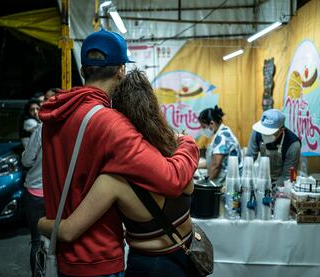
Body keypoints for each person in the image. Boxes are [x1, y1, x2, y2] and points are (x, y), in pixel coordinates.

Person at [38, 29, 199, 277]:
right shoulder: (110, 123)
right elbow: (171, 178)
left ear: (83, 71)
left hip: (63, 253)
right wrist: (188, 144)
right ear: (121, 70)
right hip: (99, 257)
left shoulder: (54, 117)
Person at [246, 109, 301, 186]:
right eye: (263, 131)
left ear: (282, 130)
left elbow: (288, 177)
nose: (264, 135)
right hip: (261, 178)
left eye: (269, 133)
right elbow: (249, 160)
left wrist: (272, 189)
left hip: (281, 183)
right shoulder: (256, 133)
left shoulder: (293, 145)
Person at [198, 106, 242, 185]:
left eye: (204, 127)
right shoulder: (222, 133)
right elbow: (212, 161)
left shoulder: (222, 137)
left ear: (212, 123)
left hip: (226, 183)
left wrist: (206, 184)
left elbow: (216, 165)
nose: (203, 130)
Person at [21, 122, 44, 277]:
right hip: (60, 194)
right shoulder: (76, 124)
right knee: (59, 241)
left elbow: (27, 160)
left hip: (37, 191)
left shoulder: (43, 127)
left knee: (37, 241)